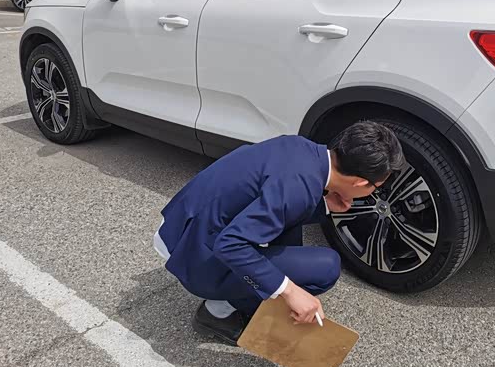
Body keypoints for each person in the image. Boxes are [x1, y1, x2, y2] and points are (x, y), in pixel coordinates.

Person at [153, 121, 404, 345]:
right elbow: (230, 245)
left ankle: (248, 295)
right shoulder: (299, 189)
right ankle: (217, 312)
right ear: (360, 183)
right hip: (195, 255)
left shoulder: (300, 148)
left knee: (291, 238)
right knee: (326, 267)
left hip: (184, 228)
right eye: (375, 187)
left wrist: (325, 205)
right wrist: (289, 291)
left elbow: (276, 199)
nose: (372, 193)